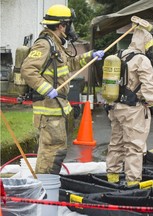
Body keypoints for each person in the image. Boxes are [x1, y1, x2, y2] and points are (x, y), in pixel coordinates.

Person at [20, 4, 104, 174]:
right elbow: (27, 69)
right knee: (51, 152)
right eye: (68, 24)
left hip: (56, 109)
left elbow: (69, 63)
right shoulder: (44, 45)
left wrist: (90, 56)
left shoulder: (56, 44)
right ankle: (46, 188)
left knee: (55, 151)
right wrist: (46, 88)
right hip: (49, 109)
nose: (70, 28)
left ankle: (47, 187)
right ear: (61, 25)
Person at [106, 27, 153, 186]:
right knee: (134, 147)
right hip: (133, 109)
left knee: (116, 144)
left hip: (116, 107)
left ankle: (112, 178)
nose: (151, 50)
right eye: (150, 46)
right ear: (145, 44)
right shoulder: (142, 60)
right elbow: (148, 86)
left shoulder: (119, 55)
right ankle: (132, 183)